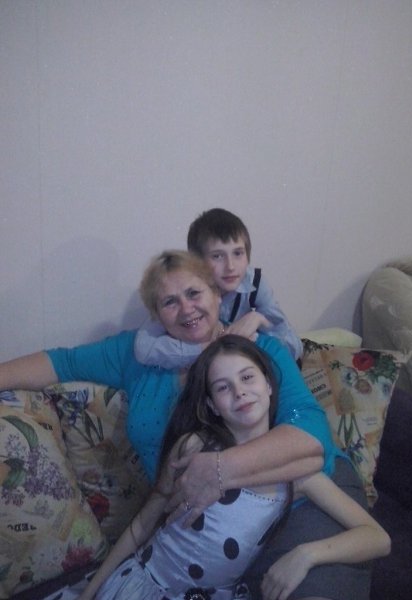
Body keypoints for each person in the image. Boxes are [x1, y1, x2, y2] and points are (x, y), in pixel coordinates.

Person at [0, 249, 362, 599]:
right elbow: (61, 362)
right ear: (157, 314)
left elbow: (312, 437)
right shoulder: (139, 355)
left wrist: (220, 468)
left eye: (194, 293)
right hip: (207, 536)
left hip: (303, 504)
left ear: (217, 294)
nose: (186, 308)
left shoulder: (257, 351)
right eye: (169, 302)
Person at [77, 335, 390, 600]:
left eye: (247, 377)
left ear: (269, 384)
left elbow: (377, 538)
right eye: (223, 387)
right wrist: (90, 591)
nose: (239, 391)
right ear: (212, 405)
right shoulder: (193, 447)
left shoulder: (296, 473)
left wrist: (307, 554)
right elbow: (141, 527)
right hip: (142, 587)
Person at [134, 208, 302, 369]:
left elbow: (294, 347)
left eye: (238, 253)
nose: (230, 266)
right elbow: (144, 347)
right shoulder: (186, 288)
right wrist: (213, 346)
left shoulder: (254, 284)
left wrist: (259, 319)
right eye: (217, 256)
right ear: (197, 261)